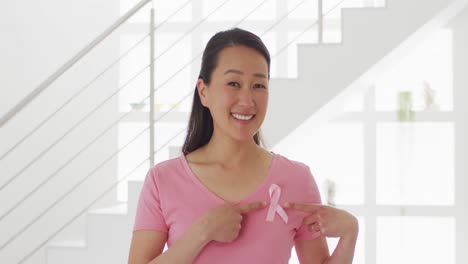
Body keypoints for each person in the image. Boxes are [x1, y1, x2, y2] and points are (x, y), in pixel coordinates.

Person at [128, 28, 358, 264]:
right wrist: (203, 231)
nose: (247, 101)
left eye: (259, 85)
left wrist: (350, 233)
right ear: (203, 91)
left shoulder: (297, 179)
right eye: (234, 83)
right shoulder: (162, 181)